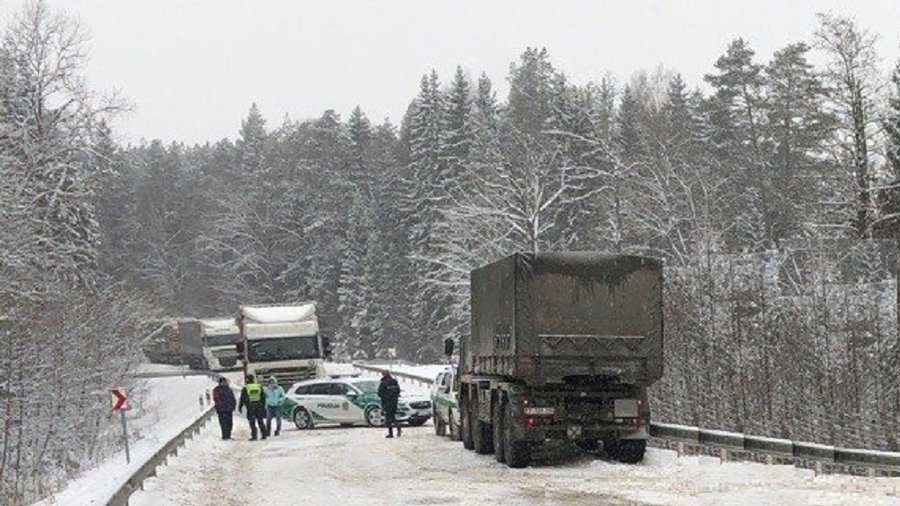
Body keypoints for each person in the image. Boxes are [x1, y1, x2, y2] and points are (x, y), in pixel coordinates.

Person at [238, 374, 269, 440]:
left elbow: (242, 398)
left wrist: (240, 406)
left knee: (252, 421)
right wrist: (263, 405)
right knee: (260, 420)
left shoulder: (246, 387)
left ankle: (254, 435)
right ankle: (264, 434)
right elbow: (263, 397)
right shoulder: (258, 386)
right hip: (259, 405)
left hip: (250, 406)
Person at [377, 370, 401, 438]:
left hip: (387, 402)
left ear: (383, 374)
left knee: (388, 418)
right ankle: (398, 426)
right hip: (394, 402)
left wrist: (385, 396)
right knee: (392, 416)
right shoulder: (394, 381)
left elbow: (380, 393)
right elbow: (398, 391)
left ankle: (391, 433)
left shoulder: (383, 382)